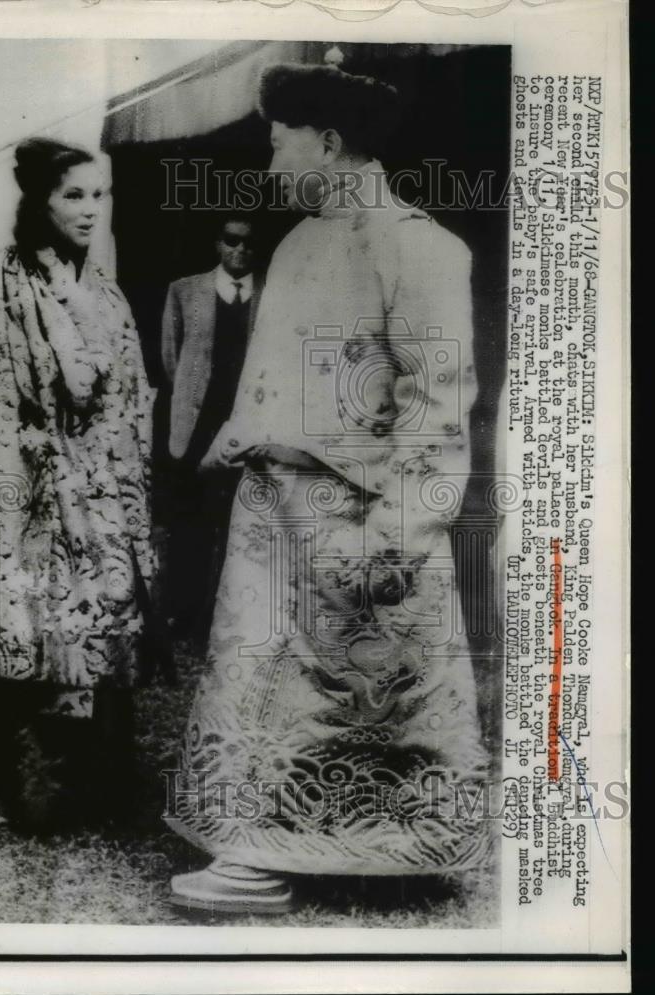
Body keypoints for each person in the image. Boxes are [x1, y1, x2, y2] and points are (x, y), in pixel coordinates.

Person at [166, 64, 490, 913]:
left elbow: (438, 402)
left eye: (281, 142)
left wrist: (397, 533)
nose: (271, 160)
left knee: (357, 692)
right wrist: (228, 451)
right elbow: (271, 381)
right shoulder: (297, 241)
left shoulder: (420, 246)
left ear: (330, 143)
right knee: (258, 684)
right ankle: (258, 847)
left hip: (356, 516)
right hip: (271, 509)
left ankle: (356, 854)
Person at [0, 138, 156, 830]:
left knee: (96, 623)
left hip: (97, 494)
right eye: (73, 195)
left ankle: (88, 785)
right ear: (40, 201)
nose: (90, 210)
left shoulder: (105, 290)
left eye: (99, 194)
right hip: (19, 495)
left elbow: (125, 399)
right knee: (15, 627)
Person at [160, 215, 262, 646]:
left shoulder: (272, 295)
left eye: (248, 245)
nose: (239, 251)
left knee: (239, 526)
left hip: (248, 425)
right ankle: (181, 617)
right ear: (217, 243)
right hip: (198, 427)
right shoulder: (185, 291)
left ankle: (221, 624)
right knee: (190, 526)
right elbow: (171, 359)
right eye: (231, 241)